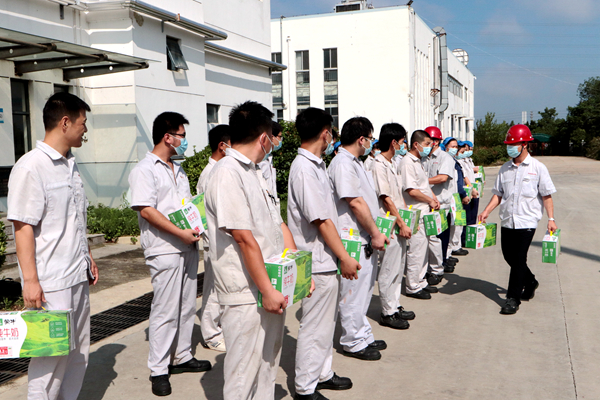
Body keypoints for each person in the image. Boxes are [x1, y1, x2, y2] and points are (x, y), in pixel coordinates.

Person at [204, 101, 299, 399]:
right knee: (243, 374)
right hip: (246, 292)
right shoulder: (227, 173)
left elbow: (276, 224)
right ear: (263, 138)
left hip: (269, 283)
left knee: (267, 365)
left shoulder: (256, 172)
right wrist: (267, 290)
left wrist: (298, 270)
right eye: (272, 136)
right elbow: (244, 238)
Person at [7, 92, 98, 400]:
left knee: (78, 350)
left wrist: (88, 256)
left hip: (76, 274)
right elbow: (23, 227)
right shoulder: (31, 167)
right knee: (50, 357)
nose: (85, 129)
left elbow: (74, 217)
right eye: (83, 123)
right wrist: (30, 281)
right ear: (65, 122)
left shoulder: (70, 165)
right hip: (50, 282)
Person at [129, 112, 211, 396]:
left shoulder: (178, 169)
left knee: (186, 305)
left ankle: (182, 355)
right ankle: (159, 369)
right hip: (164, 248)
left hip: (187, 245)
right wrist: (179, 233)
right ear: (168, 137)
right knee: (165, 309)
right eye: (182, 136)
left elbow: (185, 206)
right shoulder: (145, 170)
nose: (184, 141)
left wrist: (196, 226)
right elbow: (146, 210)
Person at [288, 107, 356, 400]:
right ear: (325, 133)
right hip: (317, 260)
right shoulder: (304, 169)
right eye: (332, 133)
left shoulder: (317, 165)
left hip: (326, 258)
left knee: (327, 324)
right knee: (315, 325)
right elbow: (321, 221)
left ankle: (322, 373)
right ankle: (305, 387)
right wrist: (344, 257)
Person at [328, 117, 390, 361]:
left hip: (364, 236)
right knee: (353, 293)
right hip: (353, 238)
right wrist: (375, 233)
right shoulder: (343, 164)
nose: (371, 143)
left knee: (364, 291)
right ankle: (353, 341)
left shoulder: (355, 162)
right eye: (370, 138)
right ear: (361, 139)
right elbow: (354, 202)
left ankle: (363, 334)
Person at [479, 124, 557, 315]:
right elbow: (498, 194)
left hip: (527, 221)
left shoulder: (538, 168)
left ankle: (512, 298)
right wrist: (486, 210)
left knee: (519, 258)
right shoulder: (505, 168)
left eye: (513, 145)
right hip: (507, 219)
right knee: (509, 257)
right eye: (508, 145)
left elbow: (546, 195)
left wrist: (551, 218)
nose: (510, 148)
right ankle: (530, 281)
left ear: (524, 145)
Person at [370, 123, 415, 329]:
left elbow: (398, 196)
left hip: (399, 221)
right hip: (388, 223)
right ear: (393, 142)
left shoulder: (392, 162)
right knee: (389, 267)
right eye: (403, 142)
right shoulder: (378, 165)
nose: (404, 146)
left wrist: (407, 220)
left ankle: (395, 305)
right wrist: (401, 223)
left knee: (399, 265)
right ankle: (387, 312)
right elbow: (386, 199)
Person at [195, 125, 231, 353]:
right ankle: (211, 334)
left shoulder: (221, 170)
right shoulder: (210, 173)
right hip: (214, 239)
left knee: (222, 287)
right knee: (213, 289)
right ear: (222, 146)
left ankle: (219, 327)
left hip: (223, 239)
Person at [399, 130, 440, 300]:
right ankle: (413, 285)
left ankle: (421, 281)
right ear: (416, 144)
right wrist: (429, 200)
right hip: (415, 213)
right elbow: (412, 190)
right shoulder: (407, 162)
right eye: (427, 144)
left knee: (423, 249)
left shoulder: (418, 162)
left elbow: (423, 185)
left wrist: (433, 197)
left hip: (425, 211)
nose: (430, 147)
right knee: (416, 251)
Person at [422, 126, 455, 283]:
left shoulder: (444, 158)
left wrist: (421, 181)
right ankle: (429, 268)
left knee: (436, 238)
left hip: (440, 205)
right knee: (426, 239)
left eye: (428, 141)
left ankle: (437, 270)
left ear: (435, 142)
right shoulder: (423, 158)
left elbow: (443, 177)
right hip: (425, 203)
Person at [442, 138, 471, 270]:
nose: (455, 149)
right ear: (445, 147)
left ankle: (449, 252)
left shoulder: (454, 161)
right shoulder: (446, 161)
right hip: (451, 197)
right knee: (450, 227)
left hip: (455, 198)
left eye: (456, 147)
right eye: (452, 146)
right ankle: (447, 254)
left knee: (456, 225)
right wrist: (463, 194)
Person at [258, 120, 283, 208]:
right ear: (272, 137)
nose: (280, 140)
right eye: (280, 137)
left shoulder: (269, 157)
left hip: (273, 204)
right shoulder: (260, 161)